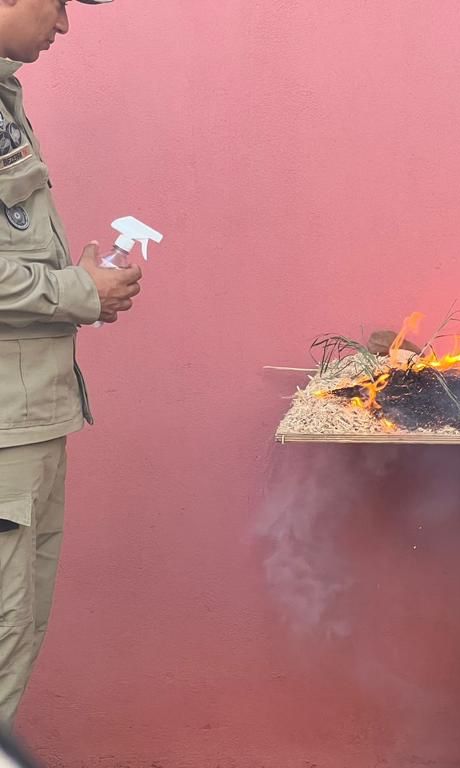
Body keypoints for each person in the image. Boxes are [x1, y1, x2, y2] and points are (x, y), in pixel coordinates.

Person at [0, 0, 140, 724]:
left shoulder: (4, 92)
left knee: (16, 632)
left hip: (31, 419)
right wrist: (80, 290)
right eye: (56, 5)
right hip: (4, 437)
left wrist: (77, 281)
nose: (63, 26)